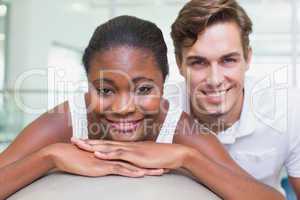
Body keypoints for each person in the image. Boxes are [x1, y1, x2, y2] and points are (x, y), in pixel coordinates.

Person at [0, 15, 282, 200]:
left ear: (164, 84)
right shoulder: (69, 119)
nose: (124, 108)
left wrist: (187, 157)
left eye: (144, 89)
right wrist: (49, 156)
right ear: (87, 85)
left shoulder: (178, 128)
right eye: (106, 90)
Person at [169, 0, 300, 198]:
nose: (214, 80)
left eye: (228, 60)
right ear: (179, 64)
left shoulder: (289, 108)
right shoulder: (158, 110)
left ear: (248, 58)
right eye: (198, 63)